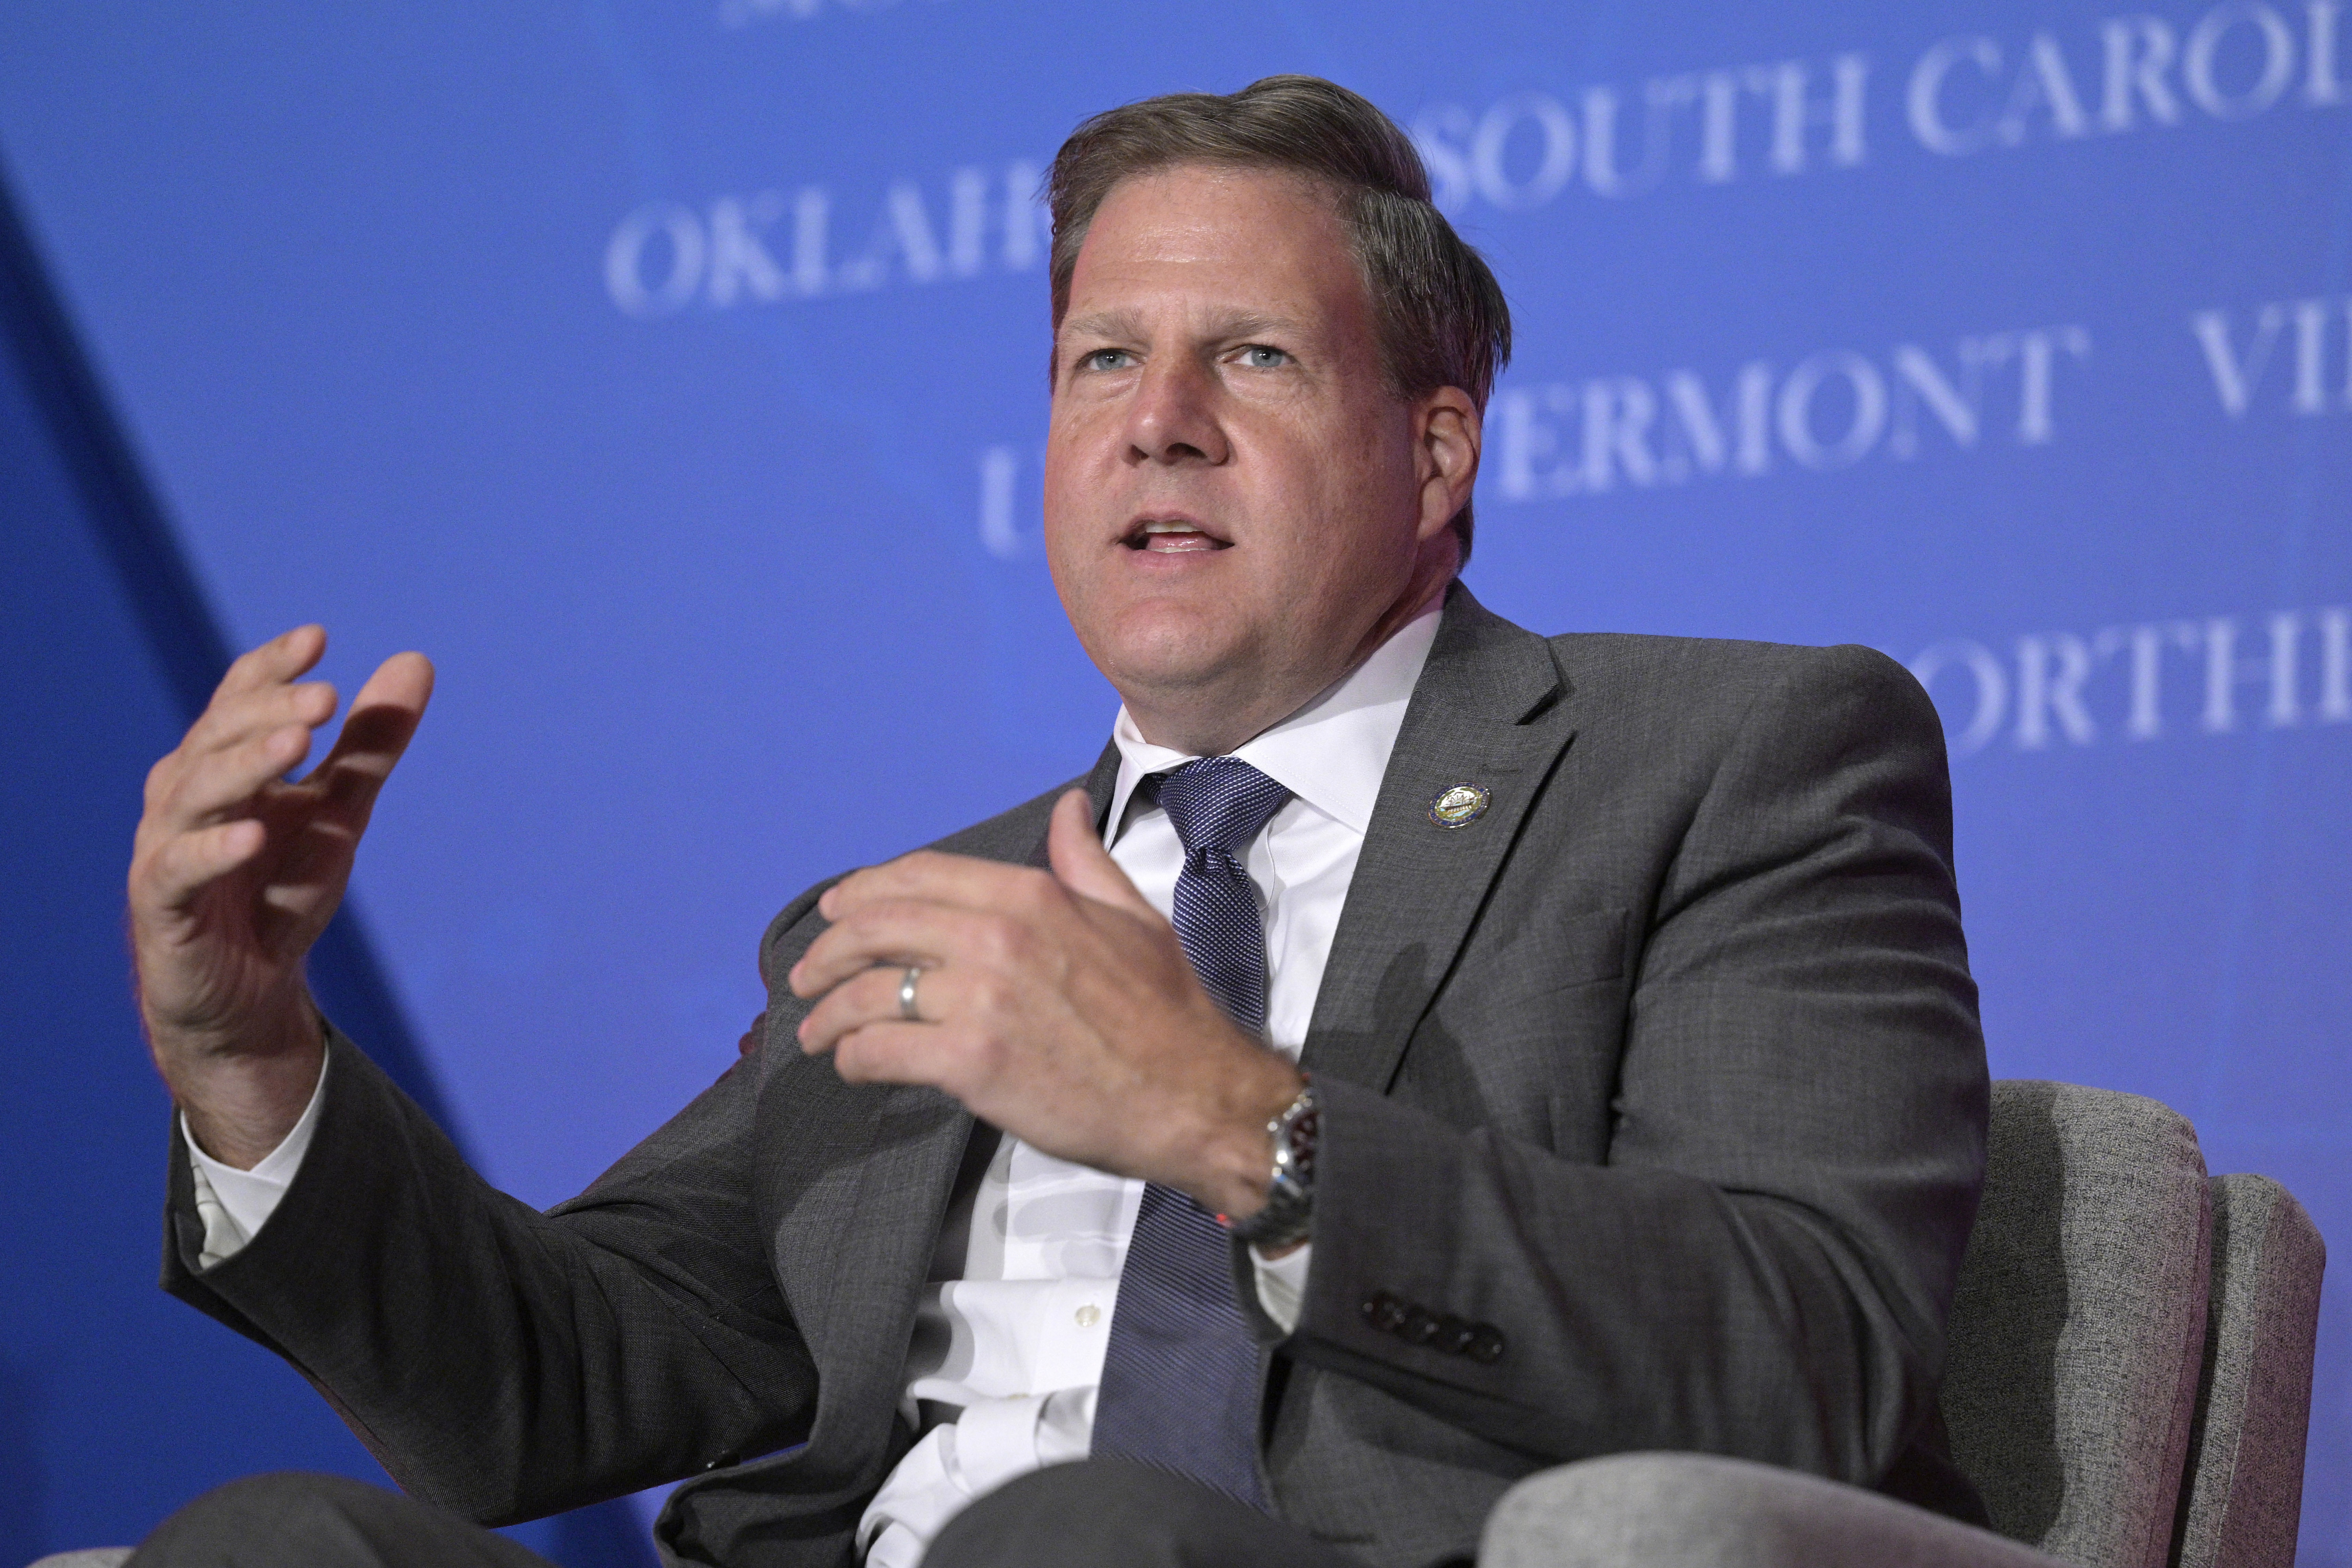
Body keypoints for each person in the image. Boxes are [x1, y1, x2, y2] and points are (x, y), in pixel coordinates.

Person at [124, 76, 1990, 1568]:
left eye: (1250, 356)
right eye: (1103, 358)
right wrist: (250, 1056)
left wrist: (1233, 1120)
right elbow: (554, 1383)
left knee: (1074, 1539)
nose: (1155, 422)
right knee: (269, 1543)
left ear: (1433, 452)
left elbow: (1806, 1356)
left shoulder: (1730, 759)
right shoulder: (948, 918)